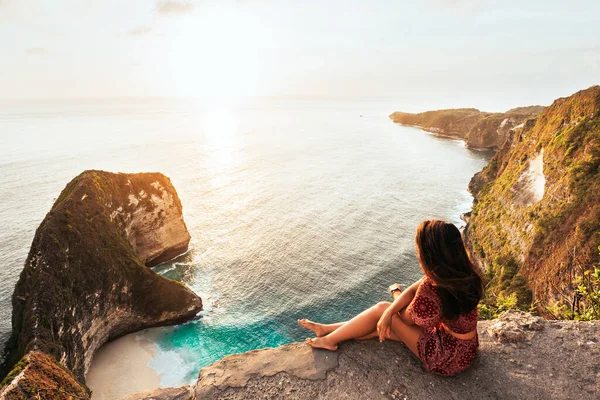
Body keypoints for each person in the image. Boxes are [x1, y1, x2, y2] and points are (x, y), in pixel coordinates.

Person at [298, 219, 484, 376]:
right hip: (466, 348)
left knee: (380, 311)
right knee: (374, 330)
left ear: (428, 254)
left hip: (446, 358)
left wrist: (391, 304)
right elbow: (414, 289)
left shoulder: (434, 288)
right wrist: (394, 304)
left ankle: (329, 340)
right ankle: (327, 329)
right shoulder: (465, 273)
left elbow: (406, 320)